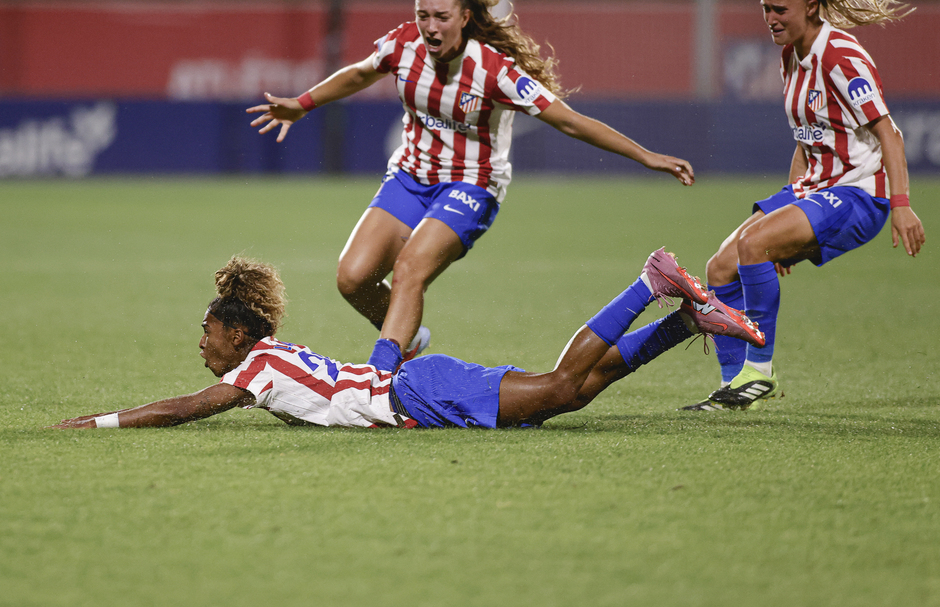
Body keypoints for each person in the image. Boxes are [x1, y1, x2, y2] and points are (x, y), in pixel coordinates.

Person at [246, 0, 696, 374]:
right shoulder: (404, 45)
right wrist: (303, 104)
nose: (430, 27)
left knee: (409, 271)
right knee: (352, 278)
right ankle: (409, 338)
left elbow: (570, 122)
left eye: (441, 17)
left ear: (464, 18)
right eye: (424, 15)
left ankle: (379, 377)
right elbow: (361, 72)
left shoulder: (494, 71)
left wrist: (646, 156)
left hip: (471, 185)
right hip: (410, 175)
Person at [49, 250, 764, 430]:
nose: (201, 344)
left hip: (417, 391)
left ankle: (650, 283)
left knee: (558, 387)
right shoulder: (273, 362)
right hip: (414, 386)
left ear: (237, 334)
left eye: (206, 333)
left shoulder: (257, 368)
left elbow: (188, 407)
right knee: (567, 398)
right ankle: (682, 322)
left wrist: (100, 421)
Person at [681, 0, 926, 412]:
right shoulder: (791, 54)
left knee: (754, 247)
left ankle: (760, 371)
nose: (770, 18)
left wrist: (901, 205)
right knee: (719, 268)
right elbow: (806, 139)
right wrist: (790, 213)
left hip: (858, 195)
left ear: (810, 7)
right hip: (817, 188)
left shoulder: (840, 57)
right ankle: (736, 388)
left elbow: (890, 134)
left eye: (780, 9)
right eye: (764, 9)